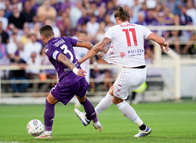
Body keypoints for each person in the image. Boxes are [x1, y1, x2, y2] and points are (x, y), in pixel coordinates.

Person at [75, 7, 169, 137]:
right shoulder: (140, 28)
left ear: (117, 19)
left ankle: (143, 127)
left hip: (129, 72)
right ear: (129, 19)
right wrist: (163, 43)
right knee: (112, 92)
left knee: (117, 100)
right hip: (142, 72)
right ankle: (88, 116)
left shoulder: (113, 30)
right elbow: (158, 39)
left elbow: (100, 46)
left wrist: (81, 59)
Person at [35, 25, 103, 139]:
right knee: (83, 99)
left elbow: (62, 57)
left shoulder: (49, 48)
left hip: (69, 79)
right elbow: (86, 44)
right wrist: (97, 52)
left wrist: (74, 69)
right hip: (80, 78)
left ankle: (47, 133)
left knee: (49, 101)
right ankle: (96, 122)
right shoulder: (65, 39)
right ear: (53, 33)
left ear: (42, 37)